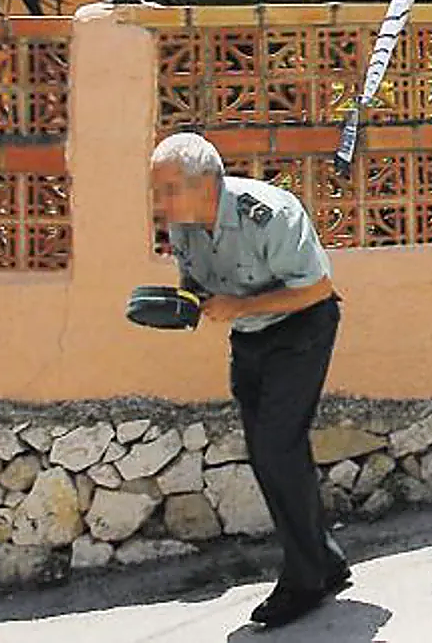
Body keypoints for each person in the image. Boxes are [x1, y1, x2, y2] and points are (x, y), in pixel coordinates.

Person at [150, 133, 349, 629]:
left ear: (205, 185)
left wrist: (239, 306)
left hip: (302, 326)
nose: (160, 202)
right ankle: (324, 559)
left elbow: (317, 288)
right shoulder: (183, 226)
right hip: (251, 336)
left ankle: (304, 582)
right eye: (157, 190)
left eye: (168, 189)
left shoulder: (269, 214)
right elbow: (196, 283)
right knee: (272, 450)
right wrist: (183, 304)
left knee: (276, 448)